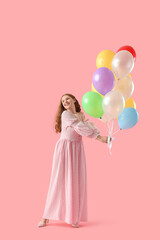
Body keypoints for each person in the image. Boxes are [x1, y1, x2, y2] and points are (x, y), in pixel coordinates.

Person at [38, 93, 111, 228]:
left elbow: (89, 125)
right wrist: (100, 138)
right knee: (58, 181)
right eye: (63, 101)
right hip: (65, 149)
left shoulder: (81, 115)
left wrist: (102, 136)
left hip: (76, 150)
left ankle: (73, 217)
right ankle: (45, 216)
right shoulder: (65, 115)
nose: (65, 102)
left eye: (67, 99)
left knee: (75, 182)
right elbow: (80, 128)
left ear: (74, 100)